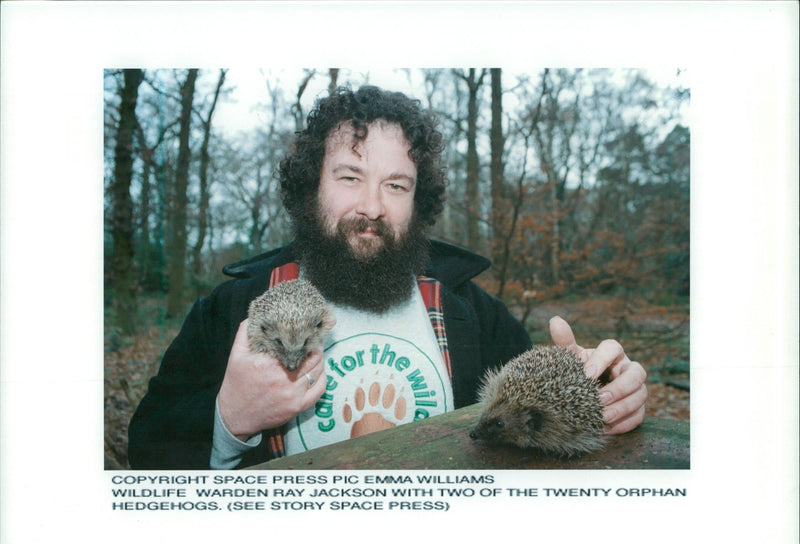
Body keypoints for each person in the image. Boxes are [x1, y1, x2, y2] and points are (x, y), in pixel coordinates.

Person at [128, 85, 647, 470]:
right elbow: (148, 453)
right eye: (350, 177)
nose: (372, 206)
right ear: (312, 188)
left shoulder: (472, 312)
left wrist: (608, 392)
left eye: (396, 186)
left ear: (418, 202)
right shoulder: (234, 310)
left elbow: (547, 417)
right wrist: (228, 421)